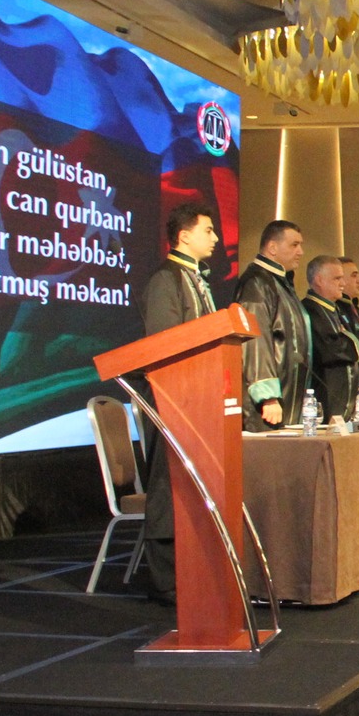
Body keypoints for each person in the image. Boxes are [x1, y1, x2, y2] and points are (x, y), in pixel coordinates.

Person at [139, 203, 221, 604]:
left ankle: (198, 571)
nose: (216, 238)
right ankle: (167, 580)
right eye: (208, 231)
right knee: (166, 488)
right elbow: (164, 341)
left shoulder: (197, 279)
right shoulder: (166, 279)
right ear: (184, 236)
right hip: (173, 399)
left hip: (201, 398)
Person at [233, 220, 309, 431]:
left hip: (286, 399)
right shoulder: (256, 283)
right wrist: (268, 396)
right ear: (272, 248)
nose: (301, 251)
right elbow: (254, 339)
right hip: (266, 406)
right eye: (294, 245)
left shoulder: (280, 282)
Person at [303, 257, 359, 422]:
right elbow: (331, 350)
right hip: (324, 403)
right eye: (337, 278)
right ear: (319, 280)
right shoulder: (310, 309)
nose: (343, 283)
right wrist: (358, 340)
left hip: (344, 405)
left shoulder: (336, 309)